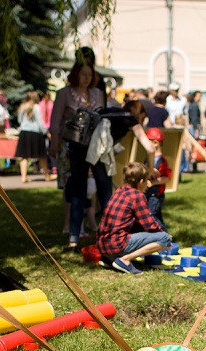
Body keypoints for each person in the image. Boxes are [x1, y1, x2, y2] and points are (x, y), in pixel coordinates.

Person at [48, 61, 110, 251]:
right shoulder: (65, 94)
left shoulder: (97, 94)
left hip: (96, 146)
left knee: (103, 186)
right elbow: (56, 120)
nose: (86, 78)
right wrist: (54, 141)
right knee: (77, 188)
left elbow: (102, 116)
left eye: (89, 75)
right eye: (83, 74)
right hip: (75, 146)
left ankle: (110, 234)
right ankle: (74, 235)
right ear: (76, 75)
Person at [97, 162, 172, 274]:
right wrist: (164, 236)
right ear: (141, 182)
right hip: (117, 244)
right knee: (164, 238)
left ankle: (108, 259)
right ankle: (124, 260)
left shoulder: (119, 191)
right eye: (147, 180)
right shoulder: (138, 195)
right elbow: (150, 224)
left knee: (136, 227)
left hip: (102, 243)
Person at [14, 91, 50, 183]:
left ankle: (23, 177)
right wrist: (45, 131)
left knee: (24, 156)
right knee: (41, 155)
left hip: (24, 133)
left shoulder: (22, 107)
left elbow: (19, 120)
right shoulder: (37, 107)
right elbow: (40, 122)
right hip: (35, 133)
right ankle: (47, 176)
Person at [144, 127, 172, 230]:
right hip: (149, 193)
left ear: (155, 143)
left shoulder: (161, 160)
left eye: (148, 142)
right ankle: (164, 235)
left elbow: (166, 177)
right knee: (156, 216)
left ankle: (163, 237)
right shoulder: (148, 158)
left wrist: (154, 182)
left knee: (151, 216)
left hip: (156, 195)